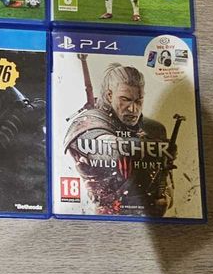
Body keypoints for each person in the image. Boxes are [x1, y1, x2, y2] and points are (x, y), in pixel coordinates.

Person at [63, 63, 174, 217]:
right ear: (109, 95)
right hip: (100, 217)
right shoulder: (89, 122)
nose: (133, 109)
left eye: (139, 101)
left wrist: (165, 198)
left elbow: (167, 180)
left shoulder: (154, 129)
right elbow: (108, 150)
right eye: (125, 100)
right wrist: (151, 148)